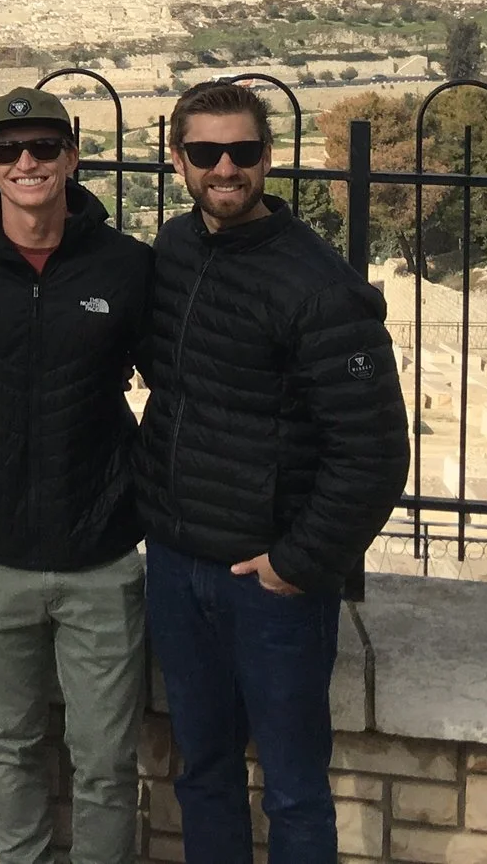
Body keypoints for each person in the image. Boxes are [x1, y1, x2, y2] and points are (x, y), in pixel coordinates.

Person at [136, 80, 410, 864]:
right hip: (178, 561)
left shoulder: (318, 284)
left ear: (268, 157)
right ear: (178, 159)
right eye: (206, 151)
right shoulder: (175, 249)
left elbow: (375, 450)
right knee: (205, 773)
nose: (225, 167)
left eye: (243, 150)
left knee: (293, 790)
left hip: (270, 583)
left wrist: (297, 561)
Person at [0, 87, 152, 864]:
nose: (26, 161)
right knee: (13, 747)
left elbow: (177, 383)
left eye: (43, 146)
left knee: (107, 762)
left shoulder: (126, 266)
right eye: (7, 149)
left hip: (98, 555)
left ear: (72, 156)